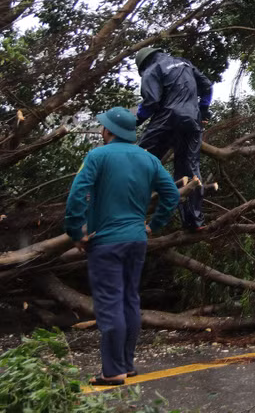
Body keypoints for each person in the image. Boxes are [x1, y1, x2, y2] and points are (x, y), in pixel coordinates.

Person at [64, 107, 180, 386]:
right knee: (129, 299)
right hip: (136, 240)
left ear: (108, 131)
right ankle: (126, 364)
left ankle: (113, 371)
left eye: (103, 127)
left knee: (109, 303)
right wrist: (154, 225)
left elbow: (77, 195)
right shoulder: (149, 159)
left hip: (106, 243)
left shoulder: (96, 156)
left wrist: (75, 232)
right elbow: (172, 194)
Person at [134, 47, 213, 230]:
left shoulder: (151, 69)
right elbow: (207, 86)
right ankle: (194, 222)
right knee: (189, 169)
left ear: (143, 64)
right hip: (192, 121)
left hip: (167, 120)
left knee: (138, 159)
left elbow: (151, 102)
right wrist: (203, 110)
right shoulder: (185, 63)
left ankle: (124, 209)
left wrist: (134, 121)